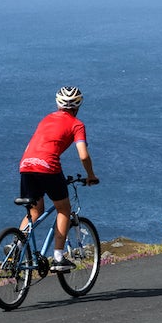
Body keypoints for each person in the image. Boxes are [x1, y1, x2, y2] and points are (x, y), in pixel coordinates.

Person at [19, 86, 99, 271]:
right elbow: (84, 155)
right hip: (48, 166)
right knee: (63, 208)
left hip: (26, 165)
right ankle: (58, 257)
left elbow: (31, 146)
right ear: (78, 105)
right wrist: (91, 175)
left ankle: (18, 244)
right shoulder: (77, 124)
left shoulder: (46, 119)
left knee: (34, 212)